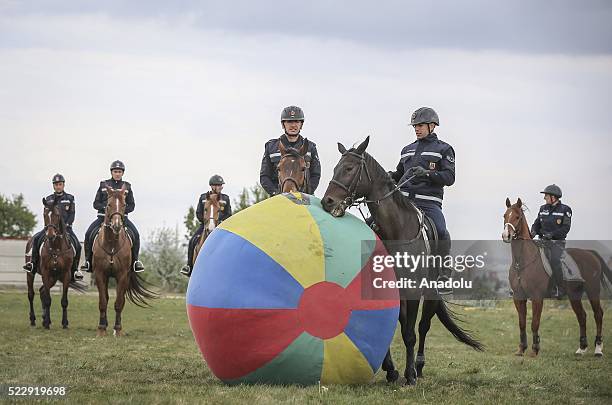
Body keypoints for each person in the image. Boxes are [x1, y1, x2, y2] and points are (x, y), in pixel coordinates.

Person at [390, 107, 455, 292]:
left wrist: (428, 174)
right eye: (415, 126)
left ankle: (443, 274)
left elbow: (449, 178)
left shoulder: (444, 149)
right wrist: (390, 177)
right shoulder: (406, 150)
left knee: (441, 231)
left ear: (432, 125)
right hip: (404, 202)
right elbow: (399, 173)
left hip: (428, 203)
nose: (416, 129)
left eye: (420, 126)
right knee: (374, 223)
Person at [81, 160, 144, 272]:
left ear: (122, 173)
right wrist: (108, 209)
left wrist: (120, 211)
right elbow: (96, 204)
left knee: (136, 235)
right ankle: (88, 261)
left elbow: (132, 205)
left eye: (119, 171)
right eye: (115, 171)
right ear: (111, 172)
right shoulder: (103, 185)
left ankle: (135, 262)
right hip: (103, 218)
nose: (117, 173)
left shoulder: (127, 186)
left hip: (122, 218)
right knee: (88, 234)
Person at [23, 174, 83, 281]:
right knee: (36, 239)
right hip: (51, 227)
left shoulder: (70, 198)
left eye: (60, 184)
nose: (58, 186)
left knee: (78, 246)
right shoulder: (49, 199)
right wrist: (47, 226)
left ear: (63, 185)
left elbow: (72, 213)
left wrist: (67, 225)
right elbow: (46, 214)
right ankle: (32, 264)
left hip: (66, 229)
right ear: (53, 186)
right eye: (56, 184)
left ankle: (75, 270)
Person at [260, 105, 321, 196]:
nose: (293, 125)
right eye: (289, 122)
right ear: (283, 124)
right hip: (278, 199)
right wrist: (276, 194)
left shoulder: (310, 147)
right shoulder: (271, 147)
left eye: (297, 121)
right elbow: (264, 176)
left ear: (301, 124)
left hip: (304, 199)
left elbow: (315, 174)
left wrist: (306, 193)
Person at [180, 175, 232, 276]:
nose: (221, 187)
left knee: (231, 243)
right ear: (212, 186)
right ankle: (189, 266)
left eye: (221, 185)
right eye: (219, 185)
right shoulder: (203, 197)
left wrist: (221, 221)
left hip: (221, 226)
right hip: (205, 224)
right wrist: (205, 221)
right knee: (193, 240)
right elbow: (199, 212)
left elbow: (228, 213)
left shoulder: (225, 198)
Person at [531, 184, 572, 298]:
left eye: (546, 196)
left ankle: (560, 288)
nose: (544, 198)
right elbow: (536, 224)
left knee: (554, 261)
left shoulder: (565, 210)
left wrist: (552, 235)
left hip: (557, 243)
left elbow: (565, 228)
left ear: (553, 197)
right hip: (542, 241)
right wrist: (533, 231)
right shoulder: (542, 209)